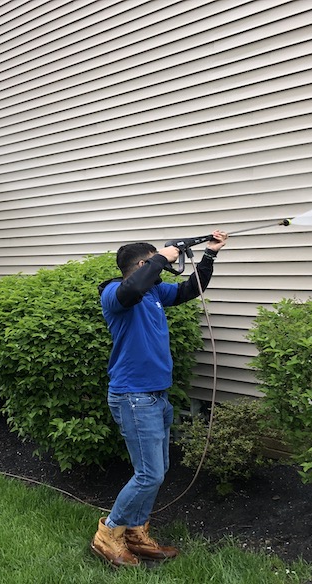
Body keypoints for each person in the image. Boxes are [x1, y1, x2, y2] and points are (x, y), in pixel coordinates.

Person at [91, 230, 229, 568]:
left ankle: (135, 530)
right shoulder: (114, 293)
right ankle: (108, 534)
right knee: (149, 474)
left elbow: (188, 290)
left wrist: (209, 255)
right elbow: (132, 288)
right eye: (154, 259)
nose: (165, 264)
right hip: (133, 396)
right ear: (142, 263)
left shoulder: (153, 292)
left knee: (157, 470)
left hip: (156, 397)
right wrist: (161, 256)